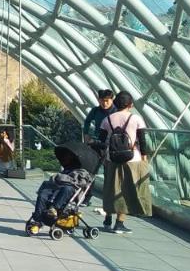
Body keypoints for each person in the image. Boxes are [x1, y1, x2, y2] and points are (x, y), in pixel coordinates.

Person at [100, 91, 152, 235]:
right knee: (127, 190)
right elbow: (142, 140)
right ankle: (120, 224)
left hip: (112, 158)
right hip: (132, 159)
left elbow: (102, 140)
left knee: (111, 188)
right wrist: (144, 156)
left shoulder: (107, 119)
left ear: (116, 103)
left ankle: (107, 220)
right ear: (130, 104)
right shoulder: (136, 118)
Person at [28, 146, 94, 226]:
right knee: (44, 193)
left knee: (67, 188)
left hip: (69, 191)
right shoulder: (67, 168)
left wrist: (65, 179)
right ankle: (37, 218)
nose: (66, 158)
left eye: (68, 156)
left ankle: (54, 208)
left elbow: (80, 183)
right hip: (57, 188)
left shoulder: (82, 172)